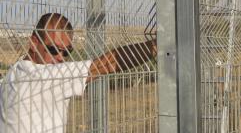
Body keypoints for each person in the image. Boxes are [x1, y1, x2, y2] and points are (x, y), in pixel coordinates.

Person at [0, 13, 157, 133]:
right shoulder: (44, 76)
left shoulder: (13, 74)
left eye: (66, 52)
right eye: (53, 49)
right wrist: (157, 45)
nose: (60, 58)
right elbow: (109, 63)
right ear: (34, 43)